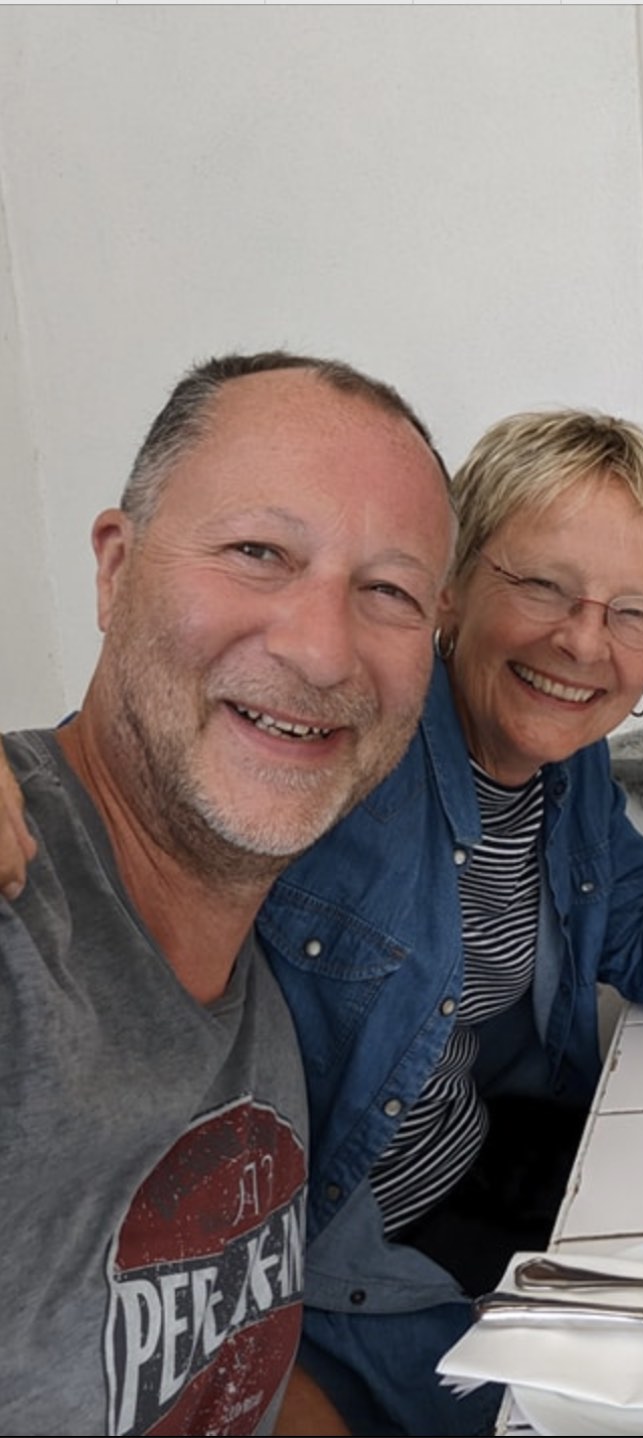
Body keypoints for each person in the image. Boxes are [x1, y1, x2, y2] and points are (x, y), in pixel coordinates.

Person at [261, 408, 643, 1435]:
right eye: (541, 585)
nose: (583, 641)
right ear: (450, 586)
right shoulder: (341, 742)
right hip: (370, 1274)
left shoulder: (565, 767)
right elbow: (145, 785)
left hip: (515, 1180)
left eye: (634, 612)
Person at [1, 353, 457, 1434]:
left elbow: (223, 1382)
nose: (319, 646)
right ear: (115, 570)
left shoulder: (262, 992)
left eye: (387, 591)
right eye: (259, 552)